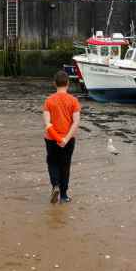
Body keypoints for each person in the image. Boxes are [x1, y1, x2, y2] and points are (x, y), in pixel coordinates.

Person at [43, 70, 81, 204]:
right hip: (68, 139)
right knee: (65, 165)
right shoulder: (74, 101)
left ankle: (55, 186)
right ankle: (64, 195)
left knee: (52, 163)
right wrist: (65, 139)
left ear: (54, 84)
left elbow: (47, 123)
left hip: (51, 139)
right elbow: (76, 122)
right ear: (68, 84)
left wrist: (57, 138)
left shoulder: (48, 100)